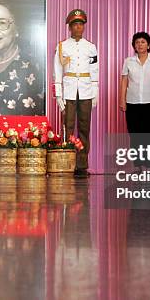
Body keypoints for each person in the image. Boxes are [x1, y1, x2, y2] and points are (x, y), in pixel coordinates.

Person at [53, 9, 98, 176]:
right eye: (75, 25)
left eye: (81, 24)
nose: (78, 27)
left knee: (85, 128)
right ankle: (67, 162)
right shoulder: (62, 46)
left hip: (86, 90)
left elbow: (95, 70)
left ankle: (81, 165)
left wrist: (95, 92)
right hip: (69, 91)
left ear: (84, 27)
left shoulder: (91, 47)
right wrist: (58, 94)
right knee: (68, 127)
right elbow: (57, 70)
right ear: (70, 27)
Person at [120, 31, 150, 167]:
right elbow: (124, 81)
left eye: (143, 42)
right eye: (137, 42)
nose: (140, 44)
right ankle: (138, 164)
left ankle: (149, 164)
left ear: (149, 45)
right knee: (135, 133)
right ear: (134, 45)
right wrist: (122, 99)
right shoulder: (128, 61)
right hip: (132, 102)